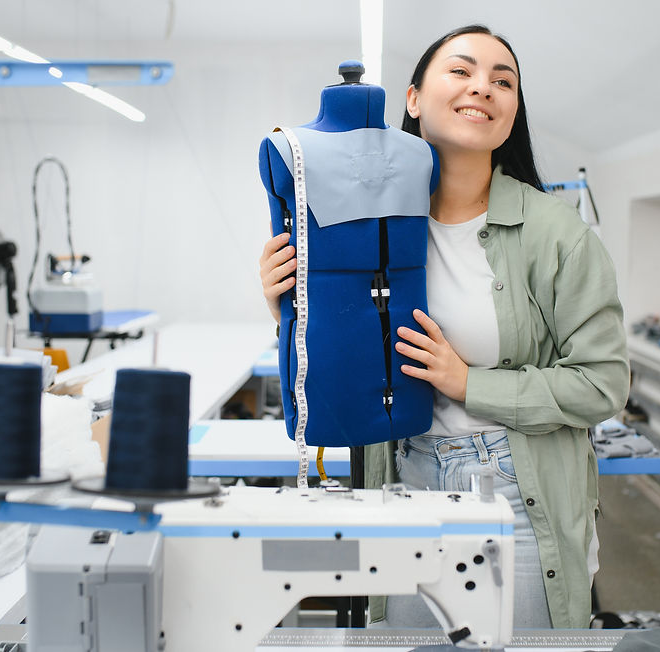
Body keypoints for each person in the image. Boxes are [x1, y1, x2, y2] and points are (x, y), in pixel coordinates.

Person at [258, 24, 630, 630]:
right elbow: (348, 368)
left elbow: (603, 384)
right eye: (461, 71)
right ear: (412, 100)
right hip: (403, 480)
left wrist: (468, 382)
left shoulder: (557, 235)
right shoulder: (366, 226)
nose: (482, 87)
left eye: (502, 80)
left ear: (512, 114)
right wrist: (293, 314)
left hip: (517, 493)